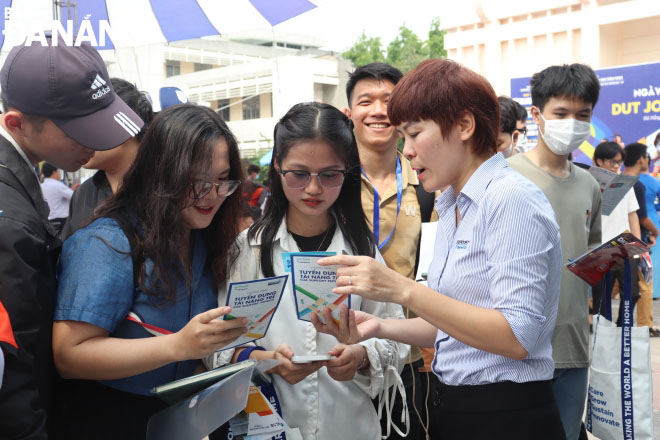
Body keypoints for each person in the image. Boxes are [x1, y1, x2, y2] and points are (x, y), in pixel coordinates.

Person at [314, 59, 565, 440]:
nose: (408, 150)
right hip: (458, 405)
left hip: (506, 413)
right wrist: (380, 327)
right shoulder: (452, 204)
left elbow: (515, 337)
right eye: (404, 137)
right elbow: (451, 322)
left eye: (414, 134)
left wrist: (400, 289)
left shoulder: (510, 199)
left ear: (464, 125)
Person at [214, 102, 408, 440]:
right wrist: (264, 359)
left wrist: (361, 357)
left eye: (329, 174)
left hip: (350, 427)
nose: (313, 189)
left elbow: (396, 338)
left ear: (347, 172)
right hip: (266, 427)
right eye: (299, 173)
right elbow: (216, 346)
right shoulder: (246, 251)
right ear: (277, 166)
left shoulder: (363, 251)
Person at [52, 105, 248, 438]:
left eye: (222, 180)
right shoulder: (109, 241)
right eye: (198, 182)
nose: (212, 195)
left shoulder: (206, 237)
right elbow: (69, 355)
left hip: (185, 417)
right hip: (111, 418)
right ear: (162, 172)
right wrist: (178, 347)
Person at [0, 35, 144, 438]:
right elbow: (13, 368)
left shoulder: (20, 187)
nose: (98, 141)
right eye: (80, 130)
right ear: (17, 123)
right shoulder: (10, 221)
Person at [343, 62, 437, 440]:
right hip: (341, 356)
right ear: (349, 113)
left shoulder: (428, 183)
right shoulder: (331, 183)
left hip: (409, 356)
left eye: (389, 101)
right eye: (367, 101)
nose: (379, 110)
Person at [507, 63, 602, 440]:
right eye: (561, 113)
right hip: (519, 349)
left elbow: (590, 251)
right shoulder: (506, 176)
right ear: (536, 115)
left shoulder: (589, 184)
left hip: (574, 344)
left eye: (583, 115)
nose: (572, 123)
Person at [61, 78, 154, 239]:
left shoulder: (166, 190)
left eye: (89, 126)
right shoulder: (83, 194)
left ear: (125, 124)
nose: (79, 138)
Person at [590, 142, 640, 325]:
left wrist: (637, 245)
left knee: (633, 294)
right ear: (599, 161)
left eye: (619, 163)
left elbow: (632, 214)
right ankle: (604, 339)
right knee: (601, 300)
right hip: (599, 250)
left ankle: (621, 327)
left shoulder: (625, 183)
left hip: (624, 246)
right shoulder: (588, 185)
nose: (617, 167)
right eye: (613, 162)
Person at [622, 142, 659, 335]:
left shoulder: (616, 180)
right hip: (639, 240)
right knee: (645, 285)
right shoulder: (638, 185)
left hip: (619, 240)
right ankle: (646, 326)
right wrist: (655, 232)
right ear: (641, 160)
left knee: (613, 284)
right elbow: (642, 217)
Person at [638, 148, 660, 299]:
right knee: (654, 258)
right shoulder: (655, 182)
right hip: (652, 219)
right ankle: (654, 291)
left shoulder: (626, 180)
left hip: (632, 219)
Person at [40, 162, 74, 234]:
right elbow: (73, 197)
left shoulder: (40, 186)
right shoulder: (58, 185)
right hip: (61, 222)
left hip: (47, 222)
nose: (59, 174)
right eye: (58, 171)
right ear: (54, 172)